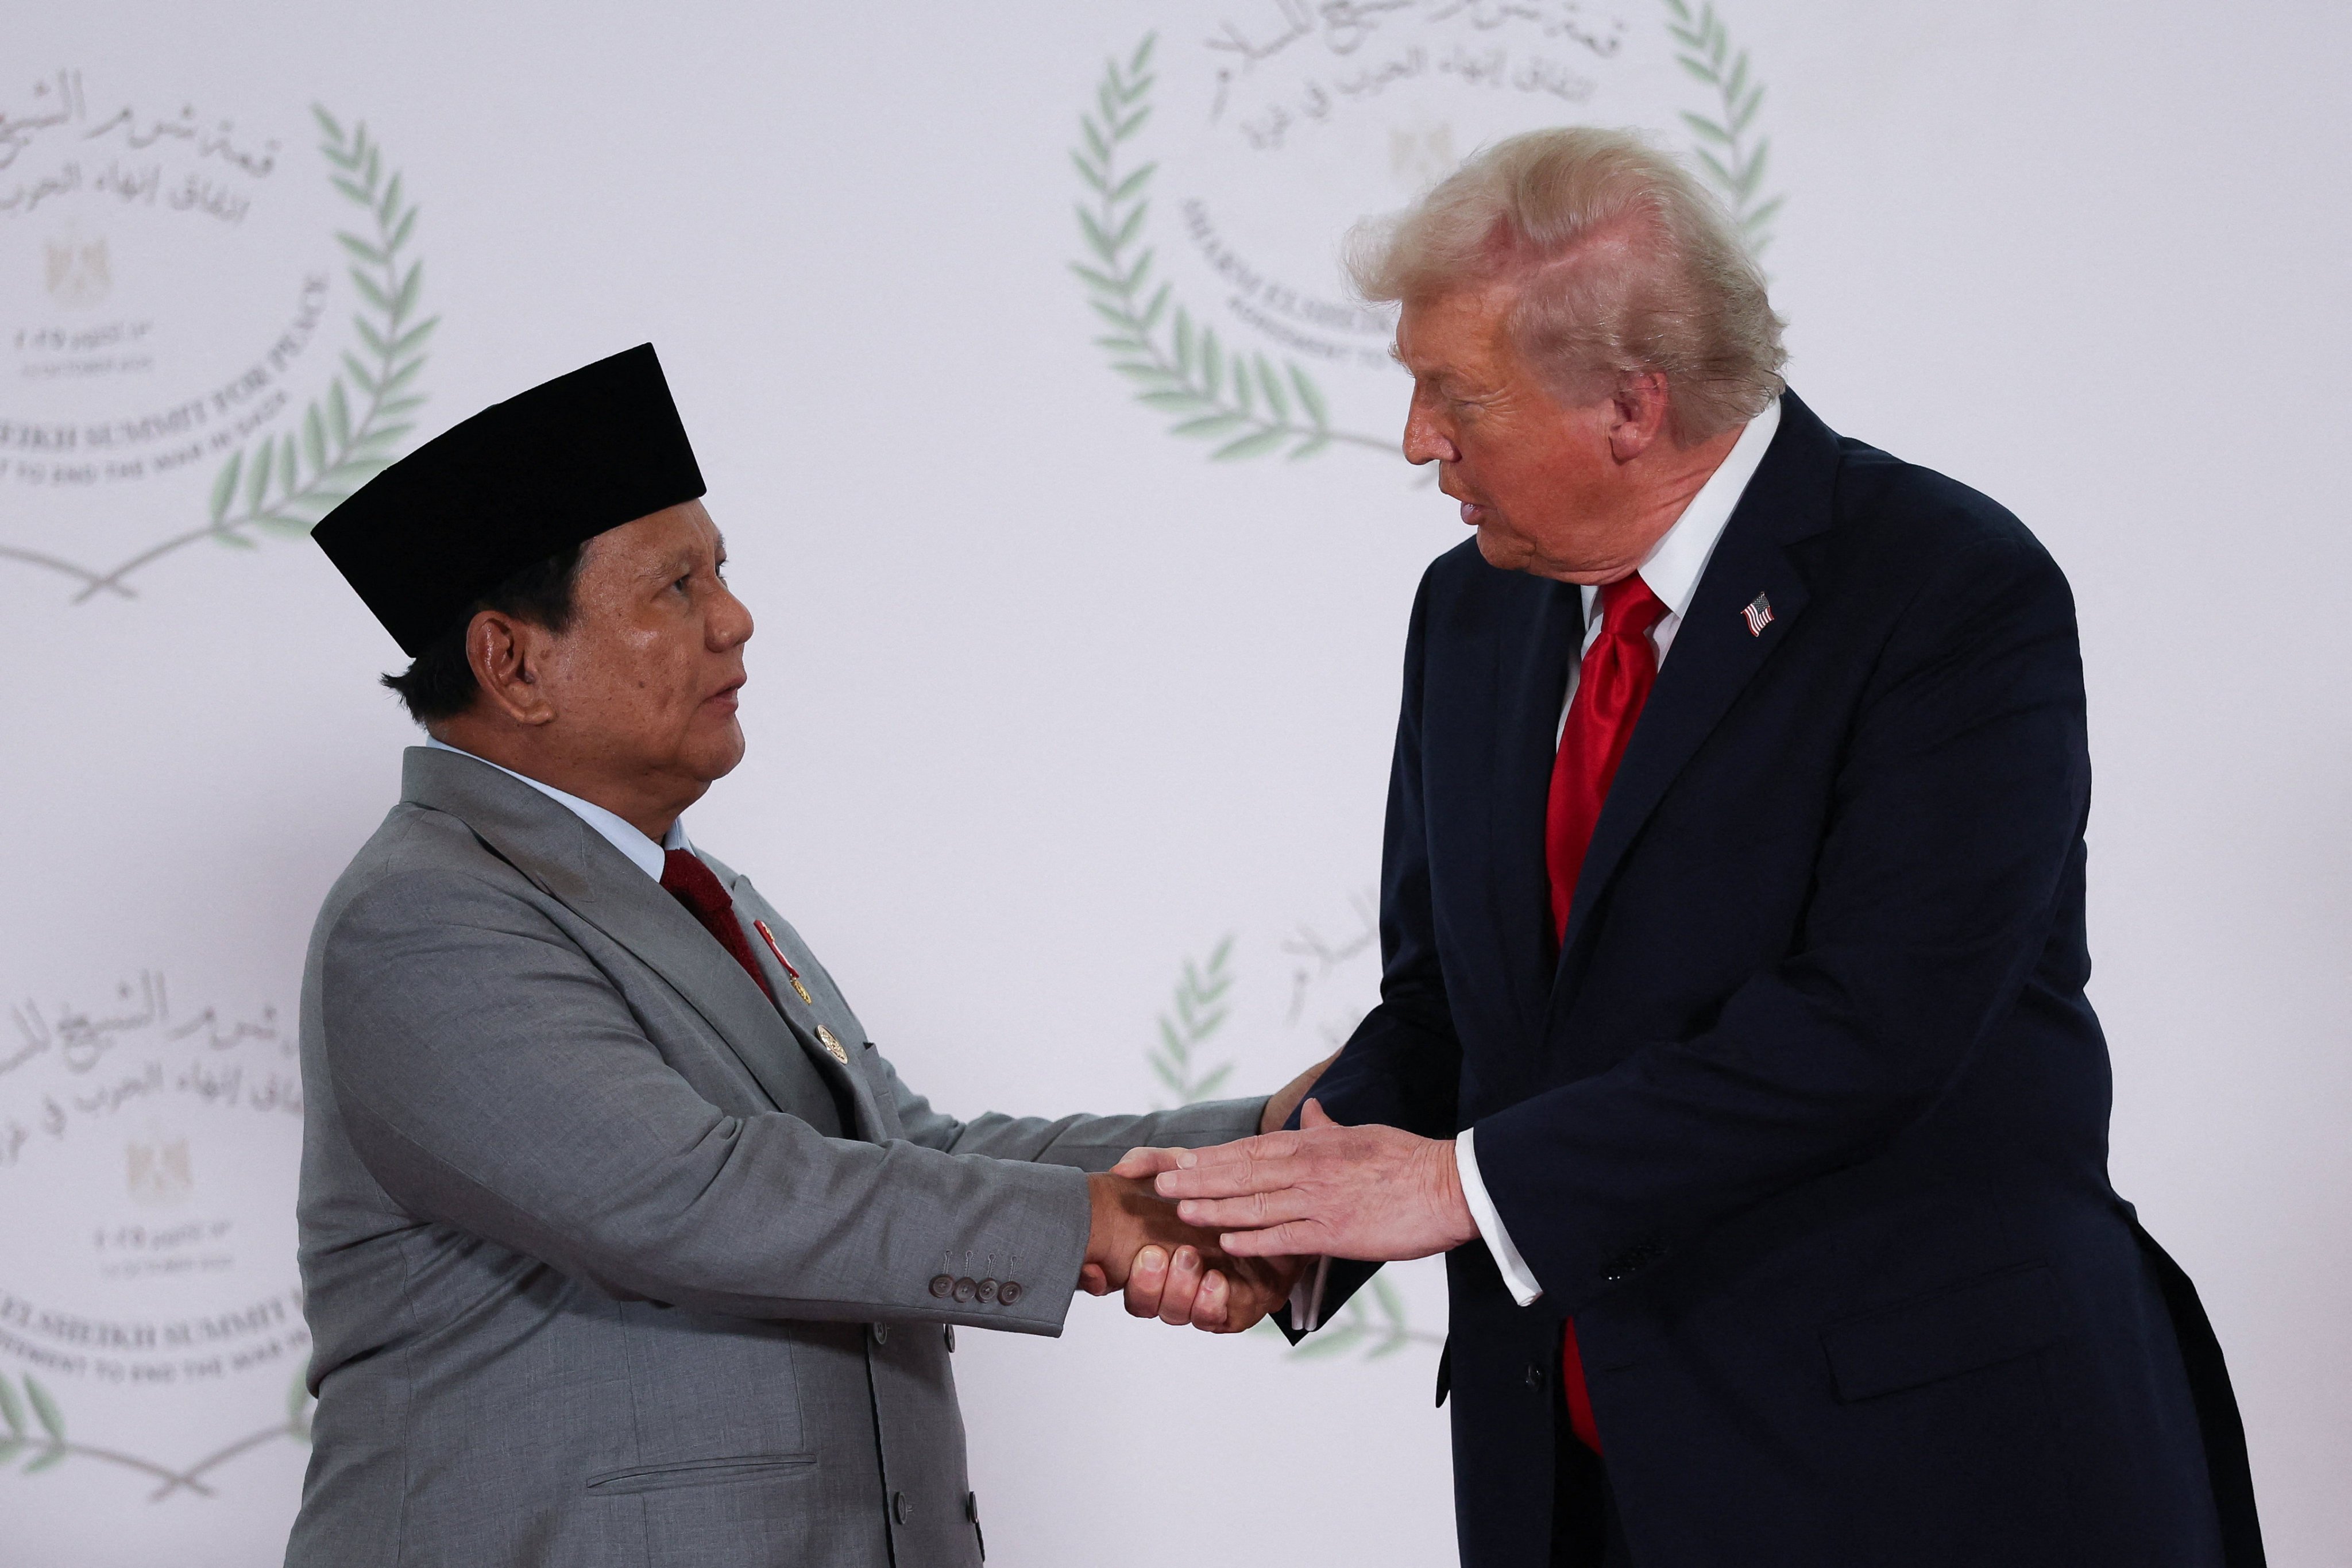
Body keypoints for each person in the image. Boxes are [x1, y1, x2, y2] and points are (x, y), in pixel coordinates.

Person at [1121, 129, 2264, 1567]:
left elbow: (1873, 1028)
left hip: (1922, 1466)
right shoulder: (1470, 611)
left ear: (1629, 406)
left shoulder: (1946, 591)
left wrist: (1453, 1187)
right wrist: (1299, 1201)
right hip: (1581, 1478)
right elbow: (1450, 1008)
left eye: (1451, 394)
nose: (1417, 441)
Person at [286, 345, 1314, 1567]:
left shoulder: (690, 887)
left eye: (721, 571)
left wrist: (1255, 1156)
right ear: (513, 664)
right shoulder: (423, 915)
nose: (734, 618)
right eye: (674, 587)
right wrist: (1095, 1220)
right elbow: (697, 1196)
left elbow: (899, 1158)